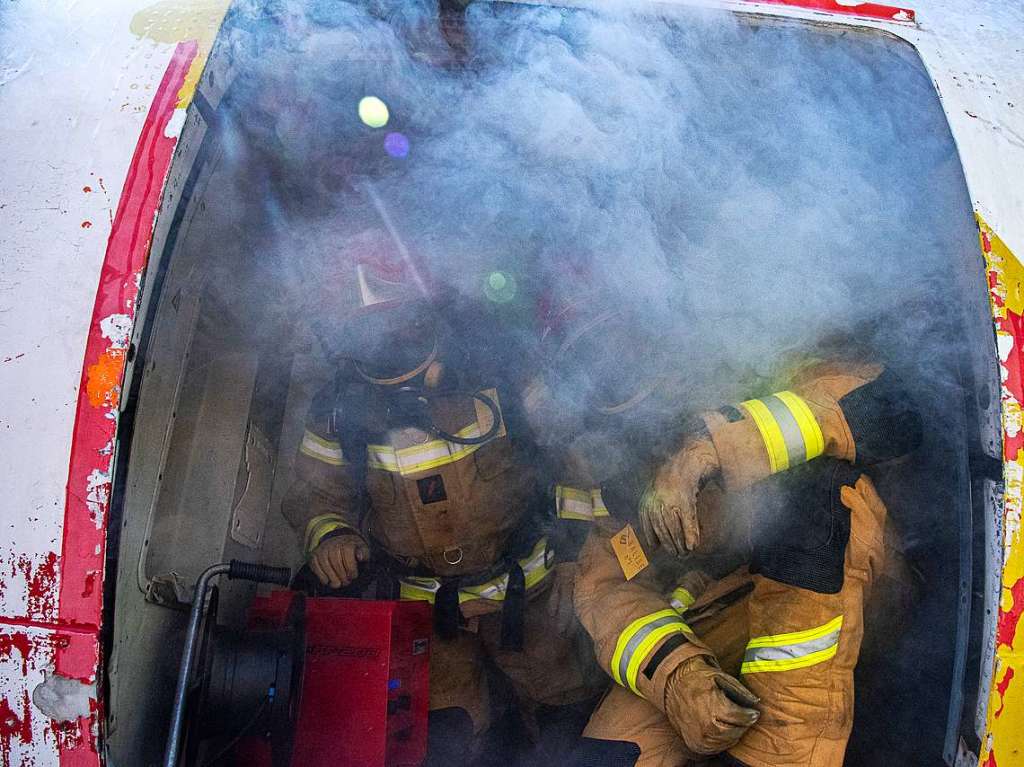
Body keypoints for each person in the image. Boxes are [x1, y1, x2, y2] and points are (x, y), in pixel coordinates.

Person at [529, 306, 921, 767]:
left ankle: (781, 754)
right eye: (587, 360)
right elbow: (609, 592)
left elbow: (890, 409)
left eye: (617, 337)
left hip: (857, 594)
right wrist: (681, 680)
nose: (612, 362)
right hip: (730, 612)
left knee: (821, 494)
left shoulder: (749, 357)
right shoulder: (614, 466)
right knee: (606, 755)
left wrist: (708, 447)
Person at [281, 230, 602, 763]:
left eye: (395, 323)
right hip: (426, 618)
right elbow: (316, 494)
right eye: (367, 331)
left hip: (537, 599)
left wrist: (581, 563)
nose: (384, 339)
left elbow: (576, 455)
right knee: (445, 741)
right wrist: (331, 535)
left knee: (567, 719)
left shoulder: (501, 373)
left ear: (425, 312)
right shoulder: (338, 412)